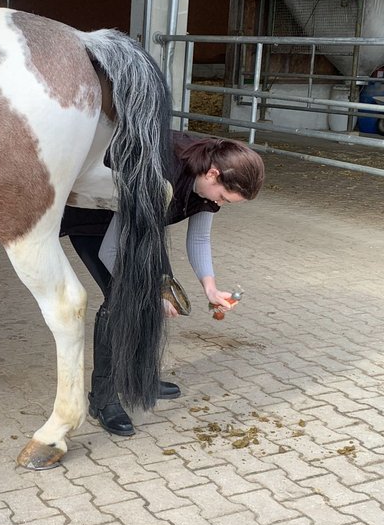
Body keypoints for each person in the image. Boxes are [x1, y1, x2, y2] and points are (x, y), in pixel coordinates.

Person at [62, 131, 265, 436]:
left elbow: (199, 237)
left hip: (141, 229)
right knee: (120, 301)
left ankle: (140, 377)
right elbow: (112, 251)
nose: (220, 204)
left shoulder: (210, 177)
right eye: (222, 197)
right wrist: (147, 291)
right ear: (213, 174)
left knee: (159, 295)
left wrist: (210, 287)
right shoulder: (159, 173)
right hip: (95, 218)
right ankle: (102, 399)